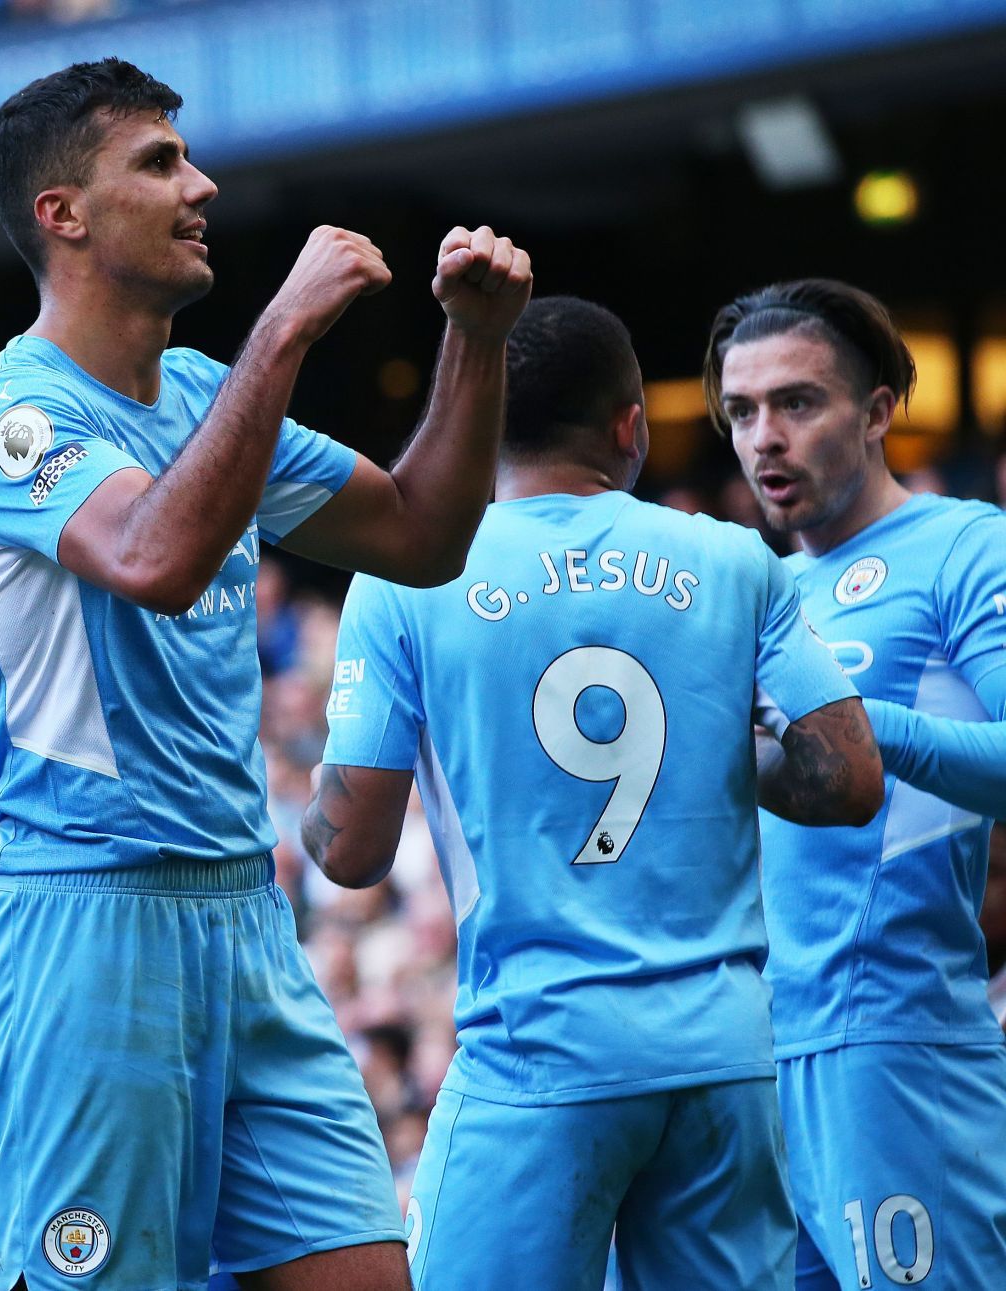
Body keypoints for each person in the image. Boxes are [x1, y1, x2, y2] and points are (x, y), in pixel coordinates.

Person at [0, 58, 531, 1290]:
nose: (199, 184)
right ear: (66, 214)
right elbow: (151, 554)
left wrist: (475, 343)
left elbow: (425, 533)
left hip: (245, 920)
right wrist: (284, 328)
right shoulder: (11, 414)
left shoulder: (209, 395)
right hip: (86, 922)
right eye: (157, 163)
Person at [302, 295, 883, 1290]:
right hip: (724, 1057)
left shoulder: (404, 582)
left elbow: (352, 851)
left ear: (479, 426)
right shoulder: (732, 558)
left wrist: (311, 807)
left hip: (539, 1055)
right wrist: (718, 756)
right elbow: (849, 775)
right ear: (630, 425)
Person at [708, 278, 1006, 1289]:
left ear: (878, 410)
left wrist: (864, 731)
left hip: (895, 1045)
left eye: (797, 402)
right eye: (742, 412)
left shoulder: (965, 543)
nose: (764, 438)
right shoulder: (756, 589)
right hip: (747, 1059)